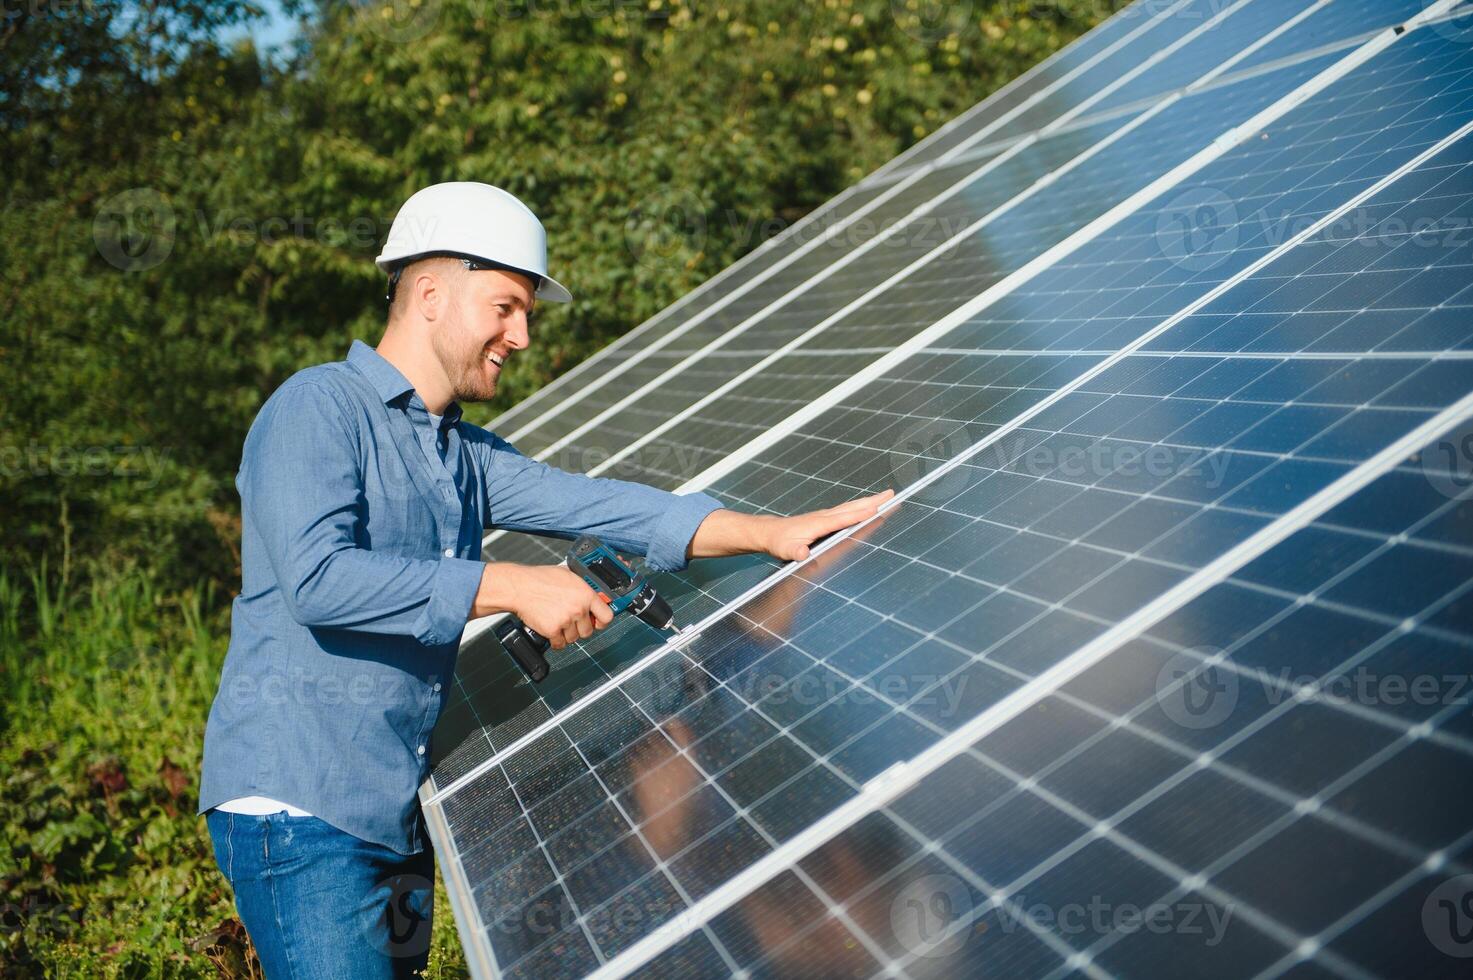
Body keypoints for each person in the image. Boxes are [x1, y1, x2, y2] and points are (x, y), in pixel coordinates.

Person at [196, 182, 892, 978]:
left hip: (386, 809)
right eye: (504, 306)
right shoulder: (317, 409)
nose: (520, 334)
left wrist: (768, 533)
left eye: (525, 312)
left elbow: (600, 506)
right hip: (300, 811)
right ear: (428, 293)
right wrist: (510, 585)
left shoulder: (462, 454)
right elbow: (319, 580)